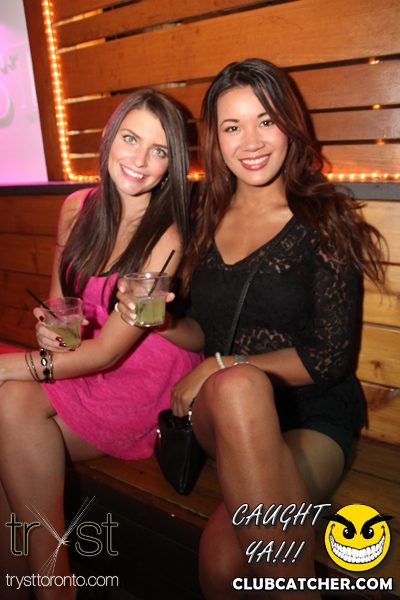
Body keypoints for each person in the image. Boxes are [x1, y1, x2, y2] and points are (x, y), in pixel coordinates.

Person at [116, 59, 385, 599]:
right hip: (225, 415)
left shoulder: (325, 221)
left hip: (313, 415)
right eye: (232, 126)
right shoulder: (203, 218)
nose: (252, 141)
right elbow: (203, 330)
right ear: (216, 140)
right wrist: (161, 323)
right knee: (237, 389)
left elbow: (328, 359)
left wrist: (221, 366)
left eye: (266, 121)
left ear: (290, 123)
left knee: (222, 563)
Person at [0, 88, 201, 600]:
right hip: (82, 361)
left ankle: (53, 586)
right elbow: (58, 300)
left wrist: (9, 366)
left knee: (7, 404)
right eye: (131, 139)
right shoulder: (75, 208)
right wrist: (51, 329)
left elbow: (111, 351)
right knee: (7, 421)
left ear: (172, 165)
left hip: (144, 375)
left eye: (159, 150)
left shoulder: (167, 235)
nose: (140, 160)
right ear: (110, 139)